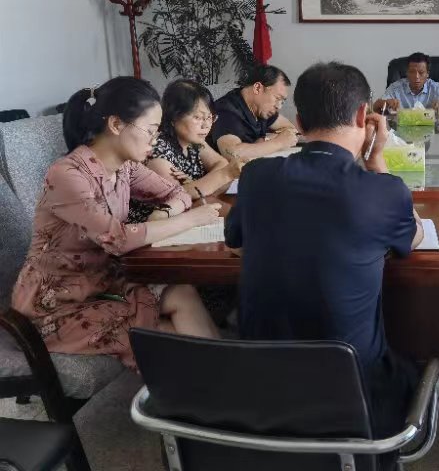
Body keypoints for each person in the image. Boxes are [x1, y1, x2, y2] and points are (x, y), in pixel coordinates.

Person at [226, 61, 424, 452]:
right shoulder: (384, 191)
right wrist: (376, 161)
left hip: (264, 386)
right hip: (353, 393)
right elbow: (413, 236)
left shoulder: (257, 177)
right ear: (363, 116)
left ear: (299, 122)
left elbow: (236, 241)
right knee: (410, 366)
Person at [12, 77, 221, 370]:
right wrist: (191, 218)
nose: (156, 139)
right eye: (150, 130)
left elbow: (178, 193)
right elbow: (118, 239)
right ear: (116, 125)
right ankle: (214, 384)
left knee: (181, 292)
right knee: (171, 337)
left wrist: (162, 213)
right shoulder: (67, 175)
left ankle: (224, 381)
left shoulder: (126, 168)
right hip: (55, 304)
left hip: (102, 281)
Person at [129, 79, 243, 224]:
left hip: (192, 210)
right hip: (154, 224)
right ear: (174, 117)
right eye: (198, 117)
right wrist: (222, 176)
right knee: (232, 213)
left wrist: (197, 186)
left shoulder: (195, 142)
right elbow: (177, 199)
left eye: (209, 117)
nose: (206, 125)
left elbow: (221, 163)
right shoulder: (158, 150)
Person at [210, 64, 298, 161]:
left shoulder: (262, 109)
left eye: (282, 101)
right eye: (277, 98)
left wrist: (266, 140)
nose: (279, 106)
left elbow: (290, 129)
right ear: (257, 88)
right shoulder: (227, 111)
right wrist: (278, 143)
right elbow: (233, 154)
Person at [373, 52, 439, 111]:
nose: (416, 77)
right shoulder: (395, 87)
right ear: (407, 73)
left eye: (421, 73)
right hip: (401, 129)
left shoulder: (436, 87)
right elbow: (375, 106)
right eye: (412, 72)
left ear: (427, 74)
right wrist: (387, 102)